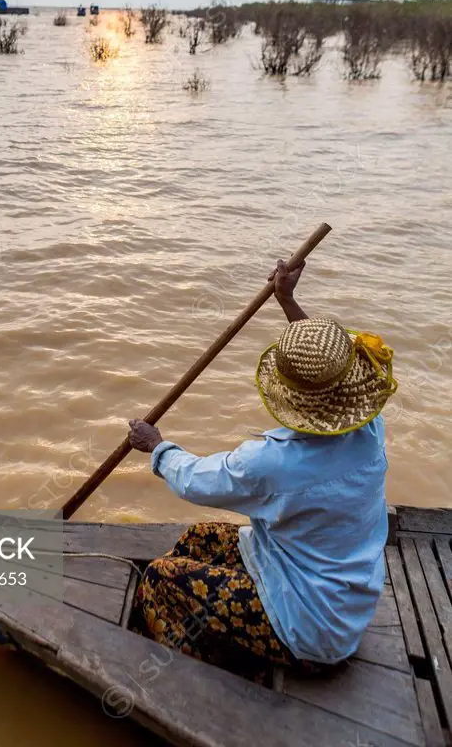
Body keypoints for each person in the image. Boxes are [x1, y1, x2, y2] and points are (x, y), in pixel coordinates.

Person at [127, 258, 398, 679]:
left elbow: (197, 481)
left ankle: (206, 679)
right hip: (339, 600)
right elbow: (324, 367)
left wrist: (157, 447)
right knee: (199, 537)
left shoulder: (274, 462)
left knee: (162, 579)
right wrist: (287, 300)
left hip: (310, 629)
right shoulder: (369, 429)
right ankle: (216, 632)